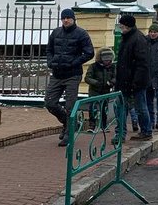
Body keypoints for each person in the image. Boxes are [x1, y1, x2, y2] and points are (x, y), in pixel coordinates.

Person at [45, 8, 95, 147]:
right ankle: (67, 123)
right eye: (63, 18)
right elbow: (49, 50)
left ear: (73, 19)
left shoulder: (81, 34)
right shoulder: (56, 32)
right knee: (50, 102)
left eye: (68, 18)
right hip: (57, 74)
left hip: (73, 75)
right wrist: (51, 62)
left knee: (70, 105)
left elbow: (89, 52)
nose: (66, 20)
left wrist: (74, 62)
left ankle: (68, 133)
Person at [117, 15, 153, 141]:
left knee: (140, 107)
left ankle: (146, 131)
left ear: (127, 26)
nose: (120, 27)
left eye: (122, 25)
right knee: (122, 107)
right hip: (126, 80)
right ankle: (120, 134)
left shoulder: (137, 39)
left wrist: (136, 82)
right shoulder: (128, 38)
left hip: (135, 81)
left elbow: (142, 64)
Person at [84, 47, 116, 132]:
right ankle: (92, 126)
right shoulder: (93, 66)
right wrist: (96, 83)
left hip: (105, 90)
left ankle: (103, 125)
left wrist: (111, 82)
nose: (107, 62)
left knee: (103, 109)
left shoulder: (112, 67)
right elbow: (87, 78)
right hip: (94, 90)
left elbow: (116, 77)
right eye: (105, 60)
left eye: (109, 60)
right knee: (92, 108)